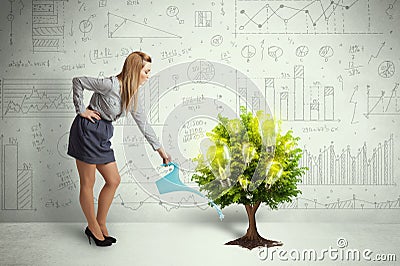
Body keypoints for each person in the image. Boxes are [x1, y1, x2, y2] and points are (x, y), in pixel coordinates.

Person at [67, 51, 171, 246]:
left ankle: (100, 223)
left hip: (103, 133)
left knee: (113, 180)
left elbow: (144, 124)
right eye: (146, 72)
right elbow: (78, 81)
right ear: (135, 70)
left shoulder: (131, 94)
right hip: (87, 131)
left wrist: (161, 152)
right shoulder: (110, 85)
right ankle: (93, 228)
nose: (149, 76)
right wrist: (81, 109)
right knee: (88, 183)